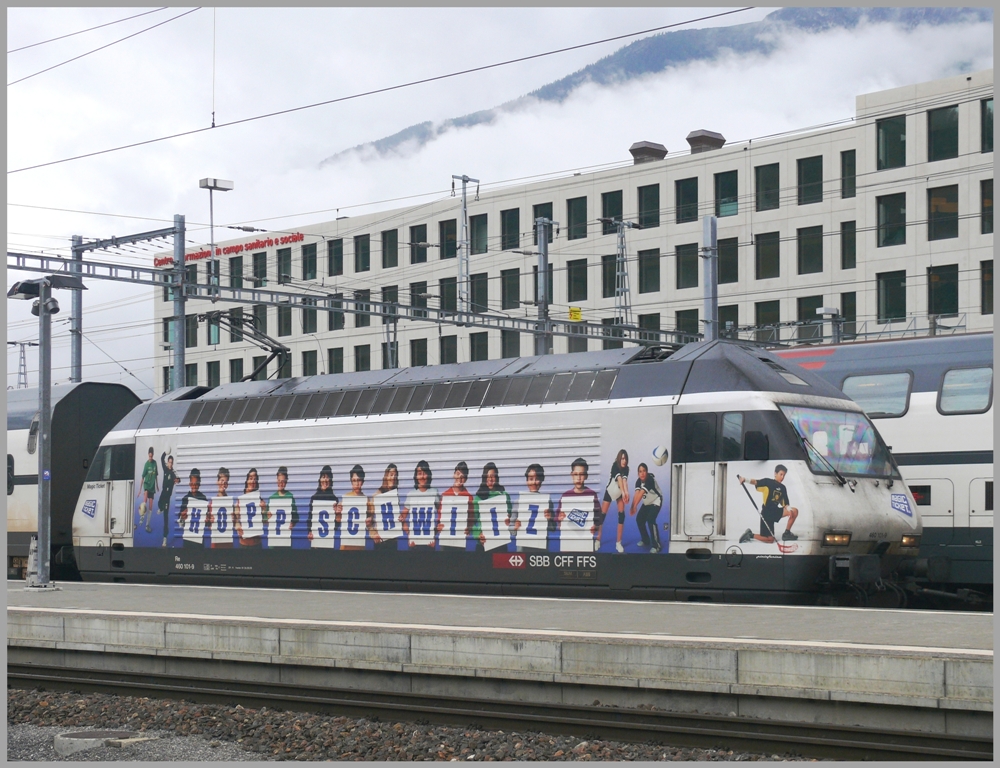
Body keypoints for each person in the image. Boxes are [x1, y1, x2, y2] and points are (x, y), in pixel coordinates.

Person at [738, 464, 799, 544]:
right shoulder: (768, 482)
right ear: (775, 473)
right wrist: (745, 479)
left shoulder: (783, 488)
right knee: (770, 540)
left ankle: (786, 534)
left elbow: (785, 503)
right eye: (781, 474)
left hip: (776, 511)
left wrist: (789, 510)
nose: (782, 477)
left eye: (784, 475)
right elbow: (756, 482)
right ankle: (750, 535)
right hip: (767, 514)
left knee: (794, 511)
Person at [556, 458, 602, 552]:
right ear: (571, 475)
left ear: (586, 476)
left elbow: (599, 520)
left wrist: (595, 528)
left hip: (586, 545)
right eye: (576, 474)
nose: (578, 478)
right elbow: (558, 522)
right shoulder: (565, 496)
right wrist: (560, 520)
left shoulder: (592, 495)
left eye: (581, 474)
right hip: (568, 546)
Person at [473, 462, 512, 551]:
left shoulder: (504, 496)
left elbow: (510, 518)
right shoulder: (478, 498)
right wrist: (478, 535)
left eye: (492, 476)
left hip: (500, 544)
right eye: (487, 476)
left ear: (497, 478)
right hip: (483, 545)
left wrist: (508, 520)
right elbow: (471, 522)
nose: (490, 479)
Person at [402, 460, 439, 548]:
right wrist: (409, 533)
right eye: (419, 473)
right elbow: (402, 517)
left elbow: (442, 515)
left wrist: (435, 533)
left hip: (429, 543)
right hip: (414, 543)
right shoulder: (411, 494)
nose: (422, 476)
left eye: (424, 473)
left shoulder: (434, 492)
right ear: (416, 476)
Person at [630, 463, 665, 553]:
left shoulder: (650, 480)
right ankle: (646, 540)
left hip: (656, 501)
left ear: (647, 472)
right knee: (639, 519)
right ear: (638, 473)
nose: (642, 473)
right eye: (640, 471)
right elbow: (636, 494)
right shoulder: (638, 481)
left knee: (650, 520)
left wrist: (635, 506)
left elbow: (641, 493)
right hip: (647, 503)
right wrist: (632, 506)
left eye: (644, 471)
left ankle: (656, 545)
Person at [601, 449, 630, 553]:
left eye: (625, 459)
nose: (624, 461)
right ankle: (597, 540)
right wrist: (623, 492)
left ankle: (618, 543)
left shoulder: (626, 469)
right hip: (610, 491)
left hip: (619, 493)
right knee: (602, 516)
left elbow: (625, 481)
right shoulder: (615, 466)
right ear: (619, 459)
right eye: (622, 458)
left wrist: (626, 493)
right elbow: (620, 480)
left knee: (622, 515)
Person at [515, 463, 550, 550]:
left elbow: (552, 528)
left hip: (541, 548)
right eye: (531, 479)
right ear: (527, 480)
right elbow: (511, 528)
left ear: (542, 480)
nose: (534, 482)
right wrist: (514, 527)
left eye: (537, 479)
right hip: (523, 547)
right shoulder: (519, 501)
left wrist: (550, 518)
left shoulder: (547, 502)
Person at [438, 461, 472, 549]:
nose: (460, 478)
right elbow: (439, 517)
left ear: (466, 479)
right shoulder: (445, 495)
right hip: (445, 540)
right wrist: (439, 526)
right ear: (453, 475)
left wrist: (469, 528)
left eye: (463, 476)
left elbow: (472, 519)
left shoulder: (469, 497)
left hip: (460, 542)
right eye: (458, 474)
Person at [369, 463, 402, 549]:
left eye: (395, 475)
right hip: (380, 542)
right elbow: (369, 519)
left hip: (393, 541)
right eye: (391, 474)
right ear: (386, 476)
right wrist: (373, 534)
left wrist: (400, 519)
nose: (393, 478)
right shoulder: (377, 495)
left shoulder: (395, 497)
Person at [307, 465, 340, 548]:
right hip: (315, 544)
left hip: (328, 543)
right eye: (323, 477)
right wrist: (310, 532)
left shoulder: (334, 500)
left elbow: (335, 526)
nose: (325, 480)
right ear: (319, 479)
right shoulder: (314, 498)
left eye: (327, 477)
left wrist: (338, 516)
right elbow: (310, 519)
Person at [266, 466, 298, 547]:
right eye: (279, 480)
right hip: (273, 542)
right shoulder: (271, 498)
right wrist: (267, 517)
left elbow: (296, 517)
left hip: (285, 541)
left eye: (283, 481)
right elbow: (265, 520)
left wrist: (292, 524)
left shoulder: (290, 497)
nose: (281, 483)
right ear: (276, 480)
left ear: (286, 481)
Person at [340, 464, 371, 550]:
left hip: (359, 546)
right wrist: (337, 512)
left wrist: (370, 522)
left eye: (359, 480)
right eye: (354, 480)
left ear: (363, 481)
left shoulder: (367, 501)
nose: (356, 483)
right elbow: (338, 520)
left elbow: (371, 525)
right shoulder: (346, 498)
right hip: (345, 547)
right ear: (351, 481)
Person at [177, 468, 208, 548]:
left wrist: (207, 520)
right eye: (192, 484)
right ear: (189, 483)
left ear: (199, 483)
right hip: (188, 540)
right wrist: (182, 517)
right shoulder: (185, 499)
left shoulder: (203, 499)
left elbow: (207, 523)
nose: (194, 486)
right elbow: (180, 523)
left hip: (199, 541)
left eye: (196, 484)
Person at [206, 467, 234, 548]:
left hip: (228, 544)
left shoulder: (231, 503)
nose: (223, 484)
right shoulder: (211, 503)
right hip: (216, 543)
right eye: (222, 480)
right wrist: (209, 522)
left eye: (226, 482)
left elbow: (236, 523)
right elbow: (208, 524)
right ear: (217, 482)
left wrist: (234, 519)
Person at [235, 468, 263, 546]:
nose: (253, 481)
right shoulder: (240, 500)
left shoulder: (260, 500)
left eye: (255, 479)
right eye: (250, 478)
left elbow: (266, 521)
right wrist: (237, 526)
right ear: (247, 481)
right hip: (244, 544)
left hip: (257, 544)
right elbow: (234, 518)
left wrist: (264, 509)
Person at [158, 451, 178, 545]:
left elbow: (178, 479)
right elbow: (161, 459)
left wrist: (177, 480)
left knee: (165, 517)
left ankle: (164, 537)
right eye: (169, 462)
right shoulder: (165, 469)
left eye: (171, 462)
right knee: (159, 504)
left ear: (172, 463)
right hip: (162, 494)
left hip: (167, 498)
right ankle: (160, 508)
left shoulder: (173, 473)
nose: (170, 464)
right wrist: (165, 452)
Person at [137, 447, 158, 534]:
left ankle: (147, 525)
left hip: (152, 487)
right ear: (148, 455)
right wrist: (139, 490)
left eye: (151, 456)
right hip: (146, 486)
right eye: (149, 456)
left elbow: (156, 475)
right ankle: (142, 517)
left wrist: (157, 486)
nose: (150, 458)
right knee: (144, 502)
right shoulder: (146, 464)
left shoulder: (155, 463)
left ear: (153, 455)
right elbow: (142, 477)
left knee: (150, 507)